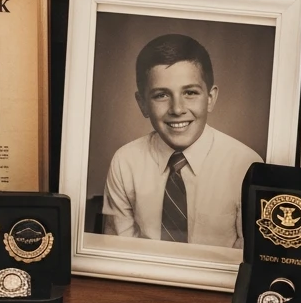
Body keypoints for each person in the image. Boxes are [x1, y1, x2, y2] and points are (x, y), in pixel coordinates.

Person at [102, 34, 260, 247]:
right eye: (161, 95)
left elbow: (247, 258)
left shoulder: (247, 166)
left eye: (190, 92)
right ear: (142, 104)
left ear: (210, 98)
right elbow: (118, 251)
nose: (177, 109)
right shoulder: (125, 162)